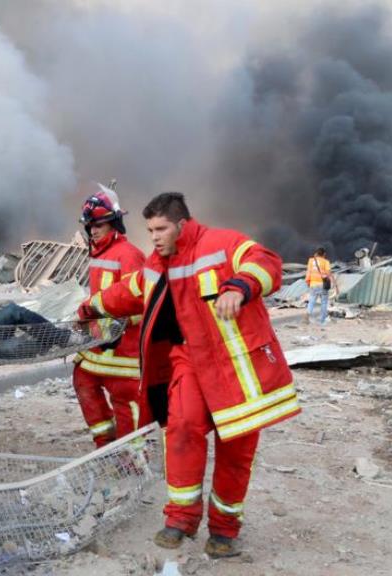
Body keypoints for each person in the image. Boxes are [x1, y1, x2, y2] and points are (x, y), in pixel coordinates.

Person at [80, 192, 300, 558]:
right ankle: (180, 518)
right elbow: (129, 292)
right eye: (150, 229)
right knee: (181, 429)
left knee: (236, 453)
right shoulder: (155, 263)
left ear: (182, 224)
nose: (154, 236)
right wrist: (89, 307)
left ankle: (224, 530)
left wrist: (241, 286)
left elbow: (266, 262)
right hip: (190, 362)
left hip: (237, 368)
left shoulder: (222, 243)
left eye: (161, 228)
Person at [72, 186, 150, 448]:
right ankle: (105, 444)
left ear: (114, 223)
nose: (93, 231)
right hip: (98, 343)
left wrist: (117, 324)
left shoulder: (129, 256)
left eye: (99, 225)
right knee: (83, 379)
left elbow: (140, 304)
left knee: (125, 398)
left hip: (123, 349)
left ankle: (133, 455)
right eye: (90, 225)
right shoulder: (99, 253)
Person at [306, 246, 332, 325]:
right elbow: (328, 273)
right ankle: (322, 321)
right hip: (323, 284)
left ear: (316, 253)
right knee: (324, 302)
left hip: (313, 284)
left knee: (311, 301)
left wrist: (308, 282)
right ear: (324, 254)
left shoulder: (311, 261)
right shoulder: (326, 262)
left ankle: (308, 315)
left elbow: (308, 272)